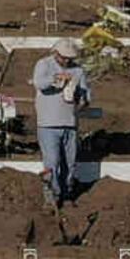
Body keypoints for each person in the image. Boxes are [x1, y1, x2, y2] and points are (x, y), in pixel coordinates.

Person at [33, 38, 91, 207]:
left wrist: (83, 100)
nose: (66, 61)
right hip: (48, 123)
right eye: (63, 57)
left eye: (69, 58)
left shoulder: (78, 70)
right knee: (52, 161)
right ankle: (51, 196)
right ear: (55, 53)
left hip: (70, 122)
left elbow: (85, 93)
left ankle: (66, 194)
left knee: (70, 162)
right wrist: (56, 78)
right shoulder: (44, 64)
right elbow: (39, 83)